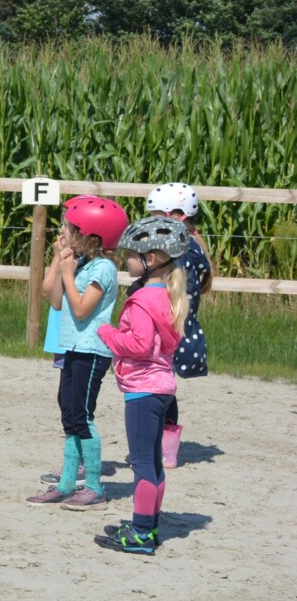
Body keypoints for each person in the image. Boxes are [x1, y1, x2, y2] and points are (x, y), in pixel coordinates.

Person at [95, 216, 190, 556]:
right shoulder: (165, 296)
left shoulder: (141, 301)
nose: (126, 261)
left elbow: (136, 345)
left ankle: (139, 533)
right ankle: (148, 523)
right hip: (162, 389)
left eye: (130, 256)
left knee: (142, 464)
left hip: (143, 391)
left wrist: (106, 333)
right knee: (153, 462)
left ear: (150, 260)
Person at [27, 196, 126, 510]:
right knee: (69, 415)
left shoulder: (104, 268)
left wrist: (69, 274)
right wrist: (60, 262)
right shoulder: (79, 263)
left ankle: (94, 486)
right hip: (71, 348)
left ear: (89, 234)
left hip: (91, 351)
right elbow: (56, 302)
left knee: (82, 417)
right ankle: (67, 483)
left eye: (68, 228)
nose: (62, 232)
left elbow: (82, 309)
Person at [145, 183, 210, 468]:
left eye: (157, 215)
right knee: (166, 387)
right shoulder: (193, 245)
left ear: (175, 215)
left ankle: (161, 446)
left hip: (167, 326)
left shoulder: (177, 248)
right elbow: (203, 282)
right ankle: (166, 448)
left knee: (159, 389)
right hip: (182, 325)